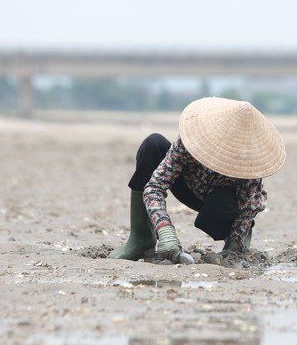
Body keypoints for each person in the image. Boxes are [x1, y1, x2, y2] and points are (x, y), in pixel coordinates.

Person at [110, 97, 286, 264]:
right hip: (189, 185)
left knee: (224, 204)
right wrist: (164, 229)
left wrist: (234, 246)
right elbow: (155, 186)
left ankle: (238, 241)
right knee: (152, 144)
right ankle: (141, 238)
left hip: (221, 204)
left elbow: (247, 209)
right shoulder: (191, 141)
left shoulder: (249, 161)